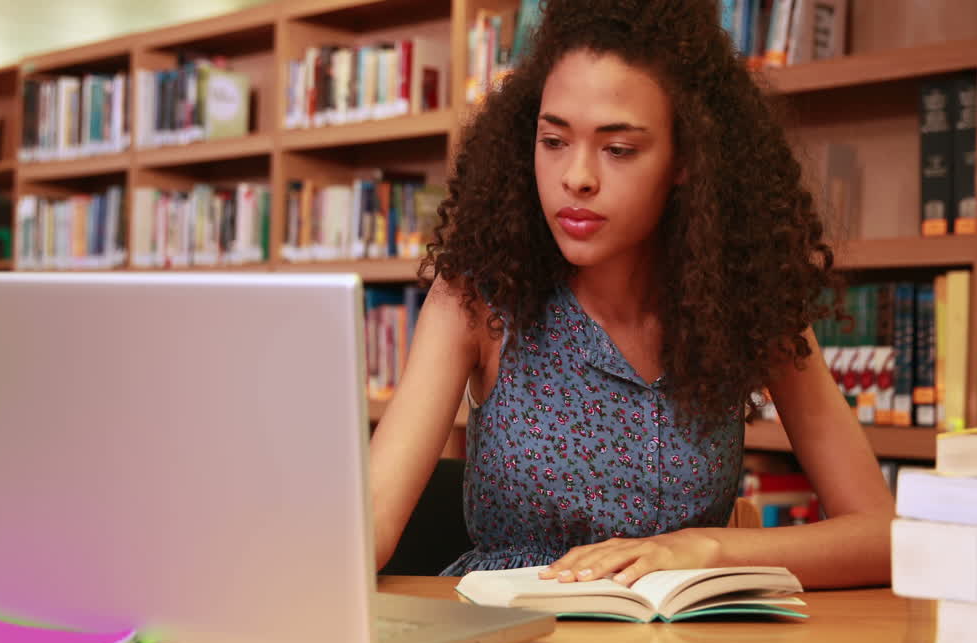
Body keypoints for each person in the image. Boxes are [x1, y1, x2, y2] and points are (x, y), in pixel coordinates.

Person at [370, 0, 894, 589]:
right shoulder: (477, 297)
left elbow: (881, 535)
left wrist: (711, 550)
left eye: (618, 149)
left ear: (686, 160)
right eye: (553, 141)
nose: (578, 177)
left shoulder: (745, 297)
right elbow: (371, 520)